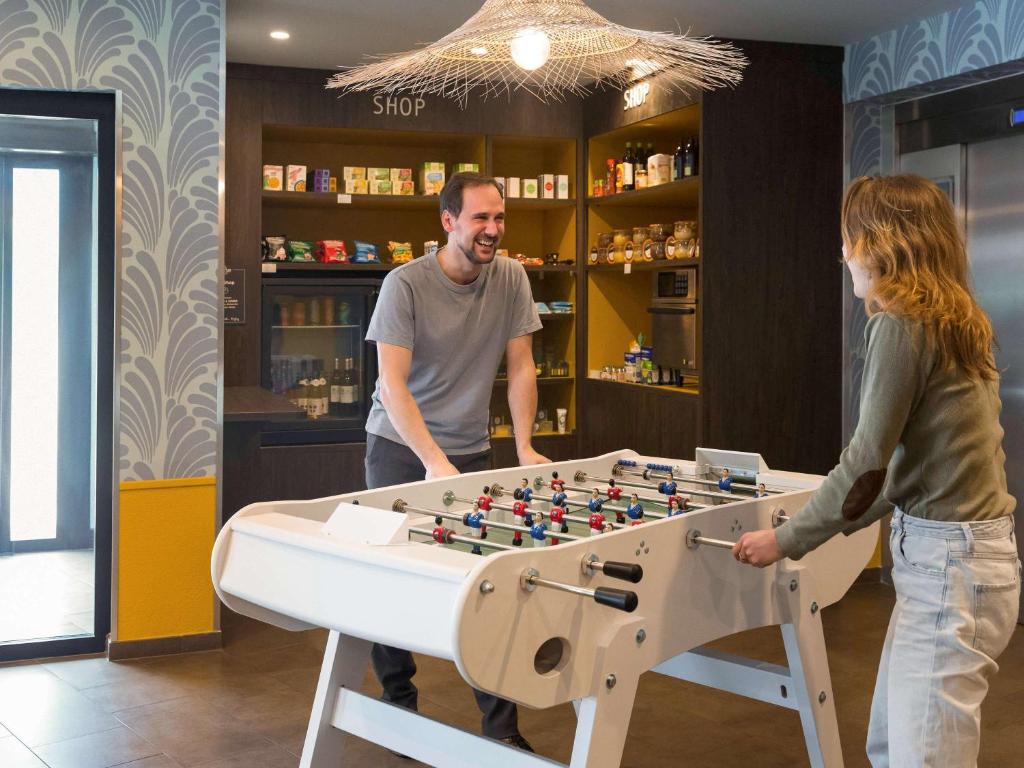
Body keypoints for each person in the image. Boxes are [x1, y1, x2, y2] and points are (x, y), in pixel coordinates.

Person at [731, 174, 1019, 767]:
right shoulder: (957, 317)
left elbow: (867, 459)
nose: (844, 254)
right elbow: (922, 469)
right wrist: (821, 523)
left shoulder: (902, 323)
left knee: (919, 759)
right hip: (968, 564)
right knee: (889, 747)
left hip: (950, 571)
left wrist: (787, 539)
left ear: (883, 242)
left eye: (849, 238)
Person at [364, 171, 548, 752]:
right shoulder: (405, 285)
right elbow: (392, 385)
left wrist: (523, 447)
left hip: (473, 449)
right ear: (448, 222)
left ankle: (502, 727)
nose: (492, 230)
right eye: (480, 219)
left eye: (499, 218)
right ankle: (399, 703)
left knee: (489, 582)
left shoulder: (512, 277)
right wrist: (433, 460)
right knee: (392, 580)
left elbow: (520, 366)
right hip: (399, 449)